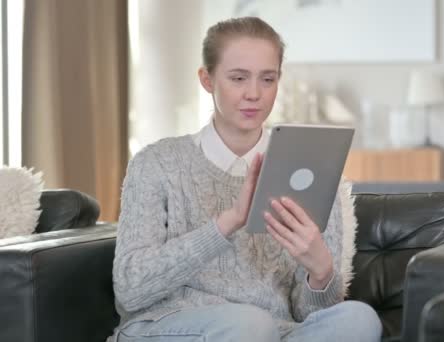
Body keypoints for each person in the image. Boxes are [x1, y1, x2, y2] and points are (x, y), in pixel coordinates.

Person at [108, 17, 382, 342]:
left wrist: (320, 273)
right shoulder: (157, 163)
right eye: (238, 78)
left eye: (268, 79)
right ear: (207, 79)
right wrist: (227, 223)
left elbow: (308, 317)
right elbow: (130, 290)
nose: (254, 93)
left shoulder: (314, 171)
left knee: (359, 319)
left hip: (272, 331)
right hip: (169, 327)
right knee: (249, 325)